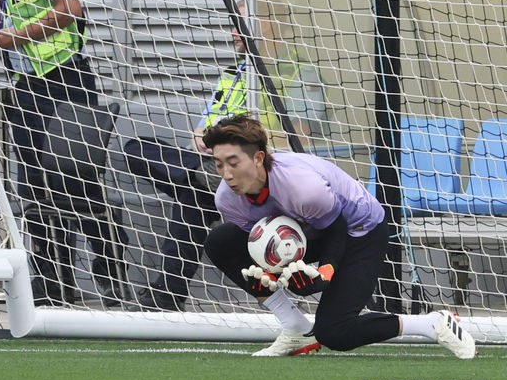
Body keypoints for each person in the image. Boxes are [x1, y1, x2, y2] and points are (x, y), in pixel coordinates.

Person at [200, 114, 476, 358]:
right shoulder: (226, 199)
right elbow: (263, 240)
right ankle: (295, 327)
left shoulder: (303, 188)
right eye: (219, 164)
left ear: (258, 158)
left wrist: (324, 273)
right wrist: (271, 275)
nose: (226, 174)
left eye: (233, 163)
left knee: (335, 333)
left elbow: (335, 228)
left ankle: (432, 323)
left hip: (358, 231)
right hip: (304, 232)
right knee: (220, 240)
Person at [125, 1, 327, 311]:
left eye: (239, 23)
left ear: (268, 26)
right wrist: (207, 142)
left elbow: (300, 139)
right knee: (136, 148)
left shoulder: (297, 71)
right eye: (232, 23)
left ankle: (166, 295)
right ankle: (202, 177)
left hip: (264, 174)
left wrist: (235, 146)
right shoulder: (233, 74)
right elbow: (198, 134)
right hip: (217, 167)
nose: (232, 32)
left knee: (191, 197)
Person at [0, 0, 127, 306]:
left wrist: (15, 37)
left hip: (64, 78)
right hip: (27, 84)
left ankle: (110, 279)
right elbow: (22, 10)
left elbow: (69, 8)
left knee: (79, 179)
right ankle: (53, 283)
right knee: (33, 185)